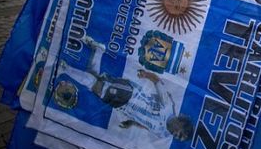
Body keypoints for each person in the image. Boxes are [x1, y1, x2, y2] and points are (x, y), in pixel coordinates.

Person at [56, 36, 194, 141]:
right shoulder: (168, 106)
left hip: (123, 107)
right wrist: (145, 74)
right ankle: (64, 68)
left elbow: (146, 125)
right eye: (180, 133)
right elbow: (158, 81)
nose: (176, 136)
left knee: (96, 81)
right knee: (97, 86)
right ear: (181, 122)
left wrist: (132, 122)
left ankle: (98, 50)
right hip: (130, 94)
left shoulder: (162, 133)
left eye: (178, 138)